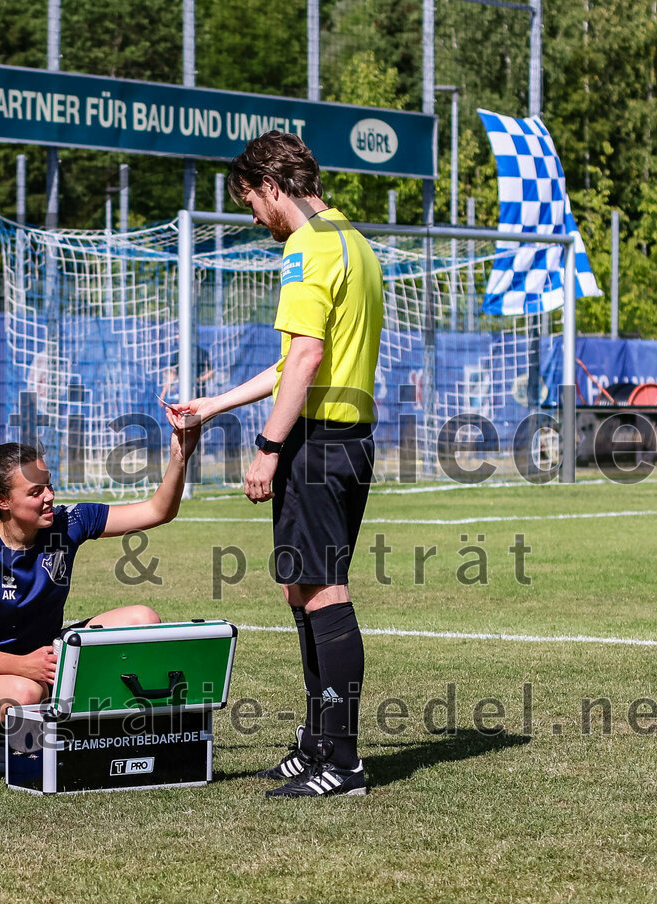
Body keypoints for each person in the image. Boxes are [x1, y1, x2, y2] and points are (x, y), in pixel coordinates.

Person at [168, 131, 383, 798]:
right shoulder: (349, 237)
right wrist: (216, 404)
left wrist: (266, 446)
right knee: (301, 586)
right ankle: (319, 743)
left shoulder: (305, 249)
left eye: (249, 200)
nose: (250, 215)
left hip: (318, 442)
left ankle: (342, 764)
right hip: (343, 438)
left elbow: (308, 361)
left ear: (270, 185)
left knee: (323, 590)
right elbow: (297, 359)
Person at [0, 415, 199, 727]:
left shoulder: (69, 523)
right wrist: (24, 665)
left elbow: (158, 511)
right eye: (35, 492)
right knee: (26, 693)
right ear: (2, 500)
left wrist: (179, 455)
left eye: (49, 485)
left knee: (143, 618)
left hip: (47, 657)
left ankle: (104, 717)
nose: (49, 496)